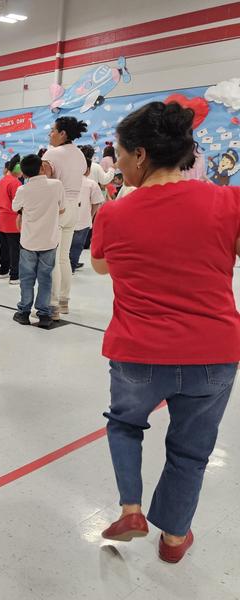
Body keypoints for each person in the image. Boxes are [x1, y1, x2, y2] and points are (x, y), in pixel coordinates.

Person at [92, 101, 240, 564]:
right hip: (214, 351)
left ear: (140, 155)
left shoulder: (115, 214)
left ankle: (132, 508)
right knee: (191, 451)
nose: (116, 163)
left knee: (124, 424)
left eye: (117, 154)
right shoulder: (227, 202)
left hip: (138, 350)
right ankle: (174, 539)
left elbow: (100, 266)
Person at [11, 154, 65, 329]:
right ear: (42, 168)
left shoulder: (23, 190)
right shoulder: (56, 185)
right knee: (45, 278)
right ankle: (44, 314)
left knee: (26, 278)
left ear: (25, 174)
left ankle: (24, 312)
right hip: (49, 240)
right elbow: (62, 209)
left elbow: (15, 207)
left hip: (28, 241)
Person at [42, 117, 87, 320]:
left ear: (63, 134)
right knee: (64, 257)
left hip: (57, 208)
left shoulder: (51, 153)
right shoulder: (80, 154)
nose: (50, 134)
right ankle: (64, 301)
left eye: (53, 130)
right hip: (74, 207)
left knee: (53, 258)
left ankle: (53, 307)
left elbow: (45, 182)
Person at [70, 158, 104, 273]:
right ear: (88, 170)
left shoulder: (66, 181)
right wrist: (91, 216)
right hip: (84, 219)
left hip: (67, 219)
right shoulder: (91, 184)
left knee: (65, 245)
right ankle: (72, 266)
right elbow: (96, 202)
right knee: (77, 245)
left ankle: (64, 266)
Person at [0, 155, 22, 284]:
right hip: (12, 218)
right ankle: (15, 275)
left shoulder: (2, 180)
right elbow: (17, 203)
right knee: (14, 248)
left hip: (2, 218)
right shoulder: (15, 182)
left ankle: (3, 270)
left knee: (4, 247)